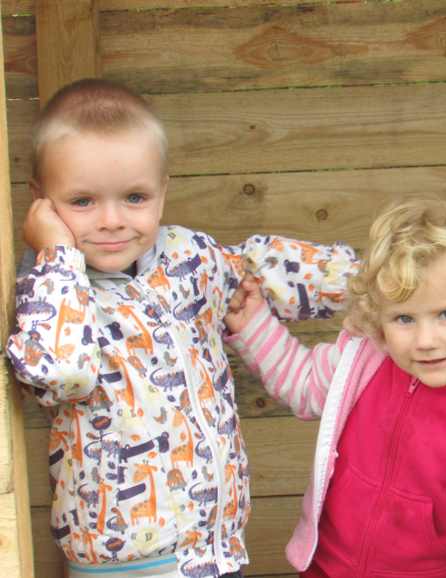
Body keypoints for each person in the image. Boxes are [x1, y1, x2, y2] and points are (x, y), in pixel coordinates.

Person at [5, 79, 358, 578]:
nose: (112, 220)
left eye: (134, 197)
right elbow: (63, 373)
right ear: (41, 203)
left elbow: (264, 271)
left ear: (162, 192)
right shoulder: (50, 293)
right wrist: (57, 254)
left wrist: (376, 282)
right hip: (122, 561)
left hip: (213, 549)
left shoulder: (188, 260)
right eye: (82, 201)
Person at [223, 196, 446, 577]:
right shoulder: (365, 357)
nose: (425, 340)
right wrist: (251, 324)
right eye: (404, 318)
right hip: (328, 568)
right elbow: (304, 385)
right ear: (379, 315)